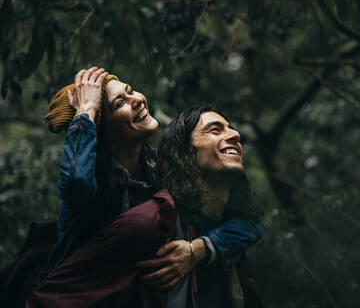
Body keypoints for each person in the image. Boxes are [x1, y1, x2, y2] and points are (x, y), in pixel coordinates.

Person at [27, 105, 263, 307]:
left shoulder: (158, 168)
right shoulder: (133, 212)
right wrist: (85, 112)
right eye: (120, 101)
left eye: (131, 92)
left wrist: (198, 249)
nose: (235, 134)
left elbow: (251, 224)